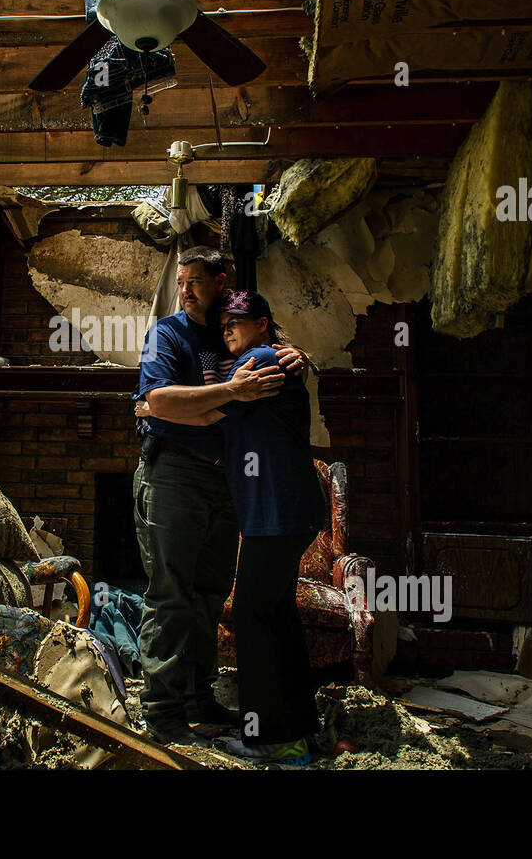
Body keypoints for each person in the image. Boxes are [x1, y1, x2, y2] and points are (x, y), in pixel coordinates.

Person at [137, 290, 325, 764]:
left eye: (237, 322)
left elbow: (201, 413)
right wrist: (161, 404)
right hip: (283, 511)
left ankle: (268, 739)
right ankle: (298, 728)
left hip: (276, 512)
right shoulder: (245, 361)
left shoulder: (261, 360)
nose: (228, 331)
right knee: (277, 615)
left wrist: (149, 408)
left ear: (262, 324)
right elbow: (213, 409)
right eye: (224, 325)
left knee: (252, 618)